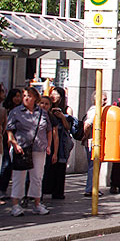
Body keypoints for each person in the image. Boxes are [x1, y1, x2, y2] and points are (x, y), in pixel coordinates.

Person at [6, 87, 53, 216]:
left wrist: (48, 145)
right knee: (19, 177)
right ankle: (16, 204)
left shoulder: (42, 113)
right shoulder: (16, 112)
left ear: (35, 98)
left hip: (39, 148)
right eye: (25, 95)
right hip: (21, 148)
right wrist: (14, 143)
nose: (26, 98)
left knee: (37, 176)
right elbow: (9, 129)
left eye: (30, 96)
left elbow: (49, 129)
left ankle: (37, 203)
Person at [42, 90, 73, 200]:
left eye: (56, 94)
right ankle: (45, 189)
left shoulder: (67, 109)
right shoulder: (45, 109)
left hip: (62, 141)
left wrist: (62, 116)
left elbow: (68, 127)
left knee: (60, 165)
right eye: (52, 93)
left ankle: (58, 192)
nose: (53, 96)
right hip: (48, 140)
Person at [82, 91, 108, 197]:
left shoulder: (98, 110)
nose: (106, 101)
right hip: (92, 142)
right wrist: (86, 136)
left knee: (94, 166)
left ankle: (92, 187)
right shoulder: (94, 111)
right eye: (104, 99)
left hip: (93, 141)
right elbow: (87, 124)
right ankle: (90, 188)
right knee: (94, 165)